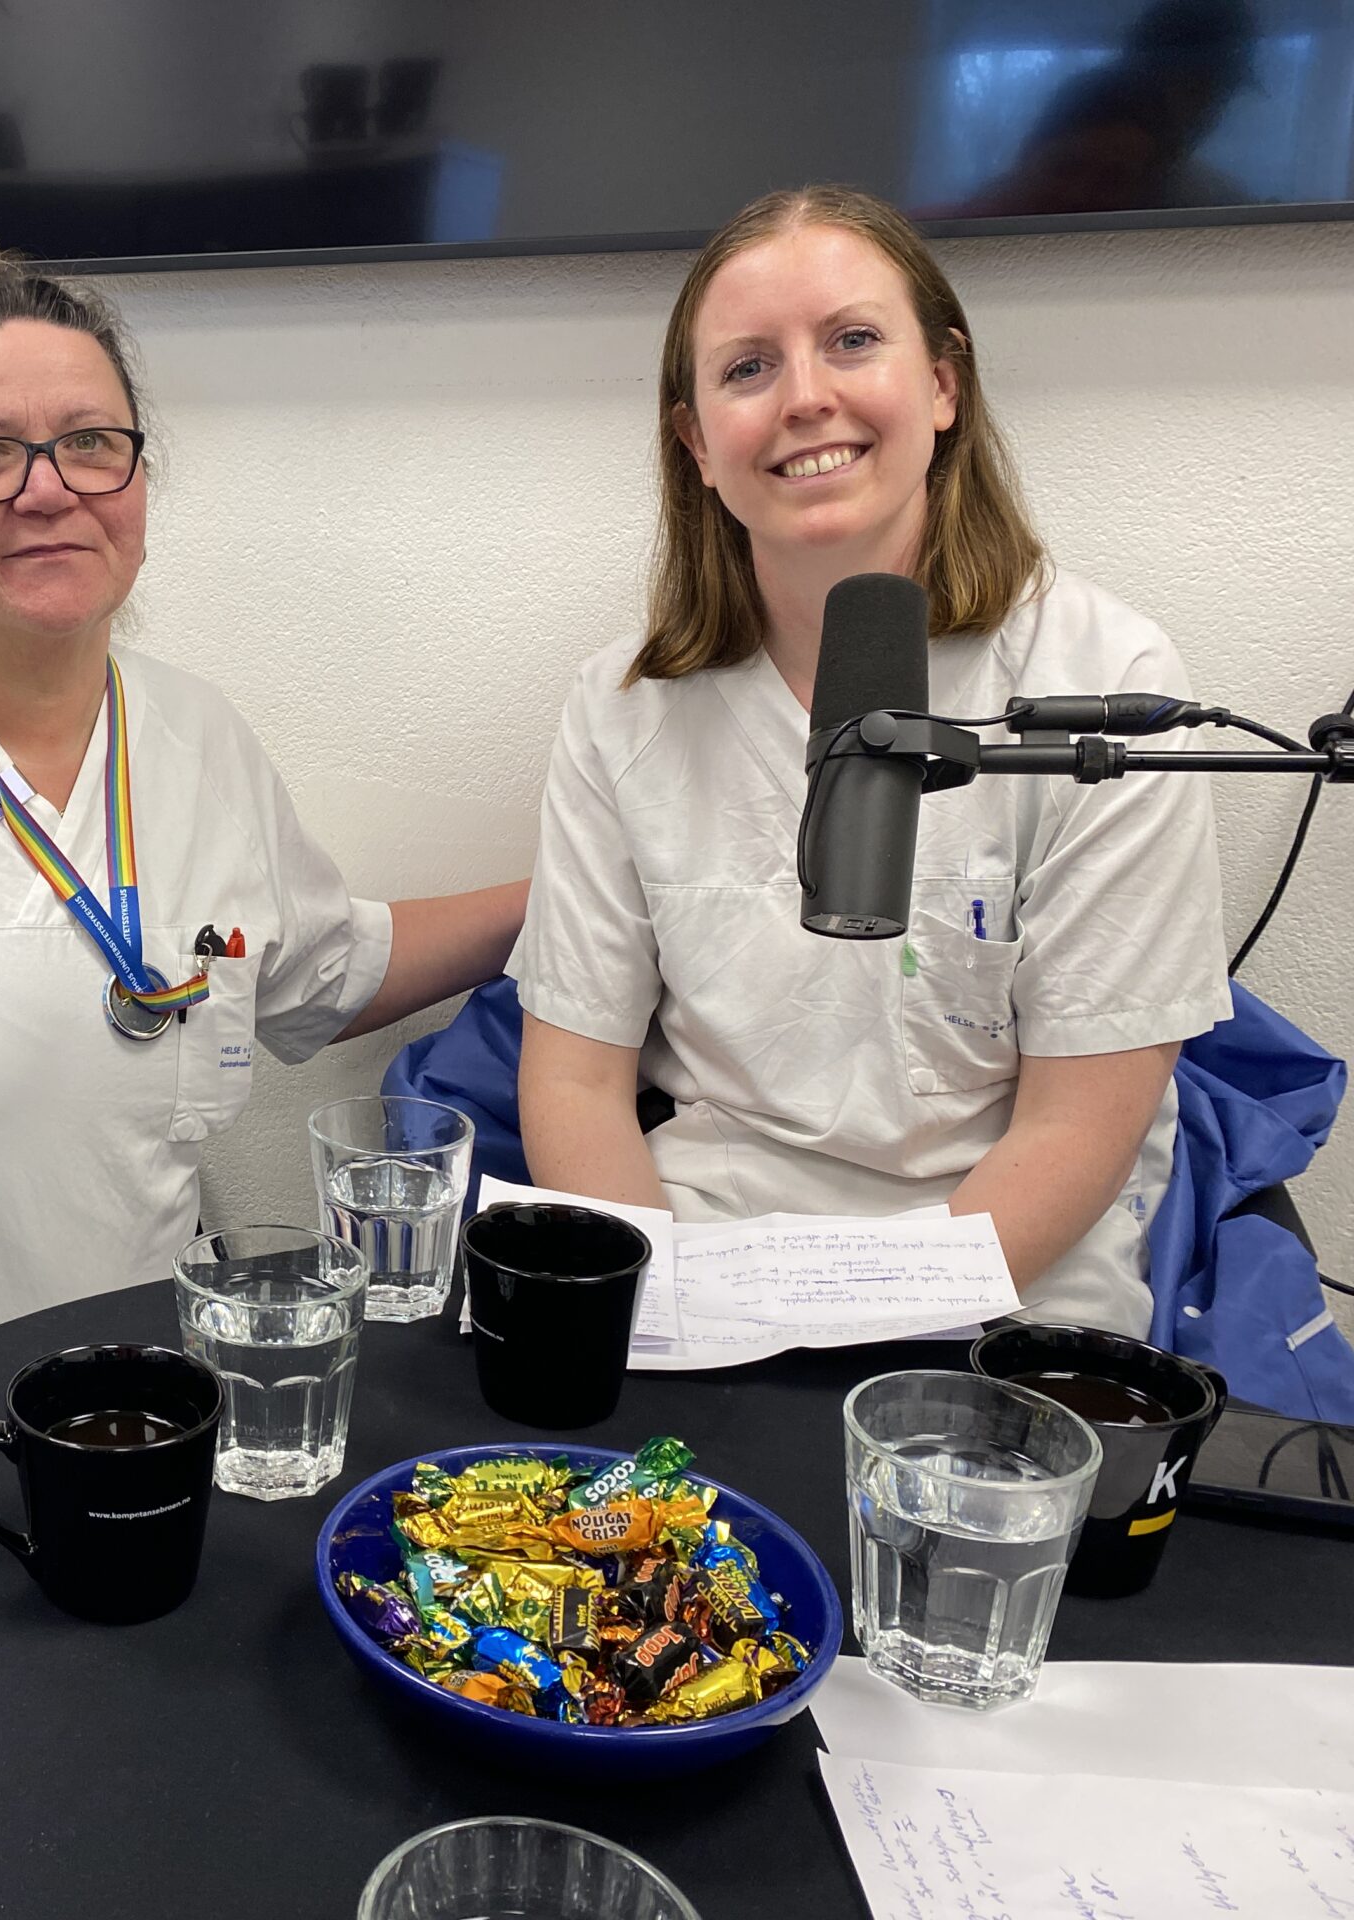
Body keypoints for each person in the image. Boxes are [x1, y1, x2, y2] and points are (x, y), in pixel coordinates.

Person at [0, 241, 528, 1374]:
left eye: (91, 445)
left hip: (154, 1389)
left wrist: (569, 896)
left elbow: (323, 969)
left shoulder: (200, 741)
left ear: (137, 483)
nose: (47, 488)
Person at [509, 184, 1231, 1335]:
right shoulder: (622, 709)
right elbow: (575, 1082)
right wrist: (673, 1315)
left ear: (943, 385)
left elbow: (1075, 1129)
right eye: (746, 368)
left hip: (1008, 1284)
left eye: (851, 341)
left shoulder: (1102, 682)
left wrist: (858, 1331)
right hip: (705, 1265)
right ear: (695, 442)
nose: (804, 398)